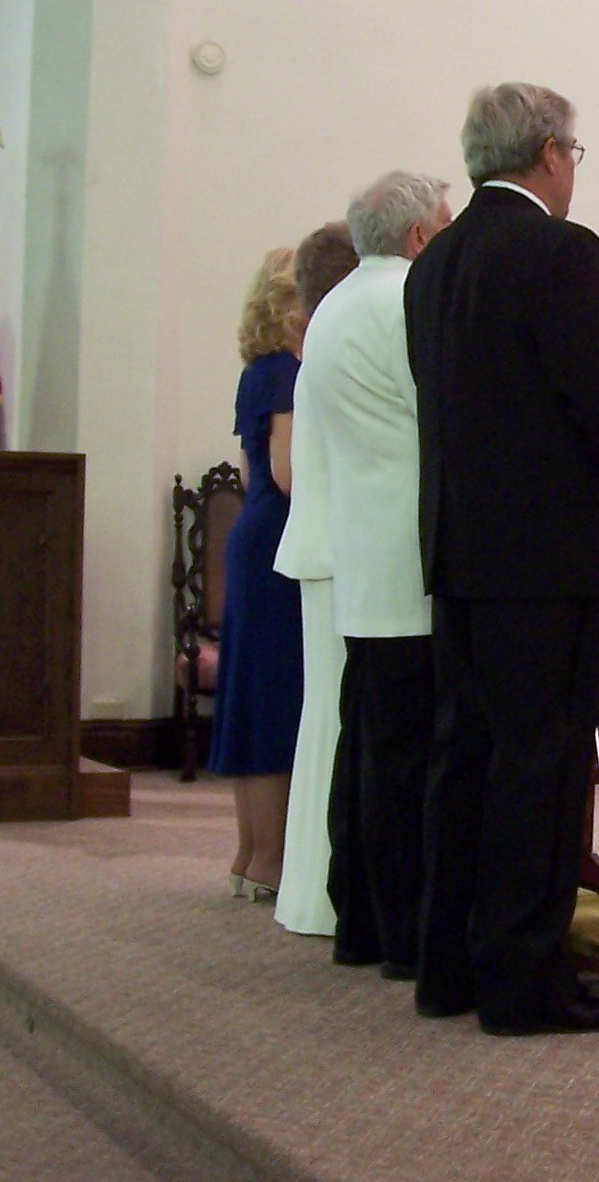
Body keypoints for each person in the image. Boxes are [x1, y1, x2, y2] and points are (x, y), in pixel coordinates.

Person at [405, 83, 599, 1035]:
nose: (573, 170)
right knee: (539, 767)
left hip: (459, 551)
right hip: (544, 560)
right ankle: (522, 984)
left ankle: (449, 969)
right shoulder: (559, 250)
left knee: (464, 757)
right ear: (549, 153)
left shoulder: (435, 263)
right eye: (573, 154)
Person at [297, 174, 453, 977]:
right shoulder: (407, 301)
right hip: (407, 556)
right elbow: (443, 414)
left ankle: (359, 919)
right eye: (447, 226)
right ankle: (404, 932)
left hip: (361, 553)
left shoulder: (332, 306)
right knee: (406, 759)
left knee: (365, 747)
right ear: (420, 236)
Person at [270, 220, 362, 938]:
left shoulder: (317, 353)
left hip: (322, 551)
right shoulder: (339, 350)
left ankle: (309, 891)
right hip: (340, 554)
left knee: (326, 721)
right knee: (336, 723)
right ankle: (323, 894)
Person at [212, 248, 307, 901]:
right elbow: (287, 473)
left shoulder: (256, 372)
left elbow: (251, 476)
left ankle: (250, 855)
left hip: (253, 534)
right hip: (279, 542)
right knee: (276, 701)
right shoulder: (288, 375)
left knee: (252, 698)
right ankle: (272, 859)